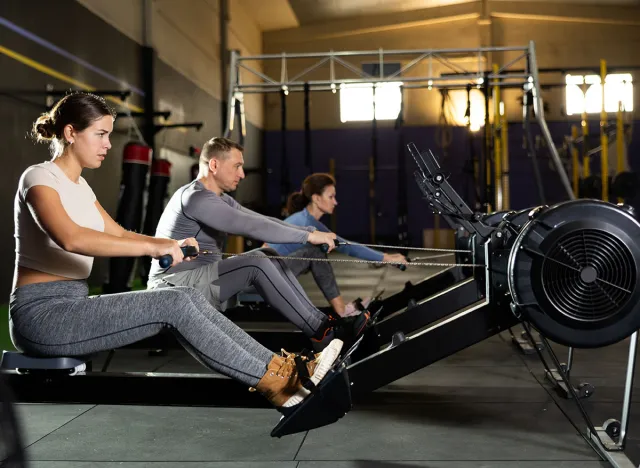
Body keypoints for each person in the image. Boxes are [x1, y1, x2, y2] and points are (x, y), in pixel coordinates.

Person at [9, 92, 344, 416]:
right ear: (71, 132)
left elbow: (120, 234)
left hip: (74, 306)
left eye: (109, 135)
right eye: (100, 134)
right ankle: (280, 384)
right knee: (175, 301)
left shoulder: (82, 187)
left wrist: (172, 245)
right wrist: (159, 246)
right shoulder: (39, 177)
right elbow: (71, 238)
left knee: (183, 296)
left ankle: (286, 372)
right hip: (42, 317)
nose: (108, 144)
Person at [147, 137, 371, 352]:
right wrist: (309, 237)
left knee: (268, 254)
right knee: (257, 262)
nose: (242, 174)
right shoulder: (195, 197)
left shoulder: (220, 198)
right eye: (237, 166)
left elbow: (261, 219)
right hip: (174, 289)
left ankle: (325, 325)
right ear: (214, 164)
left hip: (199, 284)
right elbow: (248, 225)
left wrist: (310, 231)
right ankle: (322, 333)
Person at [268, 173, 408, 317]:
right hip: (268, 274)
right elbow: (348, 247)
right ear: (316, 198)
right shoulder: (306, 223)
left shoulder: (307, 220)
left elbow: (345, 245)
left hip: (274, 271)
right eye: (331, 197)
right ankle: (342, 311)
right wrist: (387, 258)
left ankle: (341, 310)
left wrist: (386, 257)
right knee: (315, 252)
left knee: (314, 252)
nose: (335, 202)